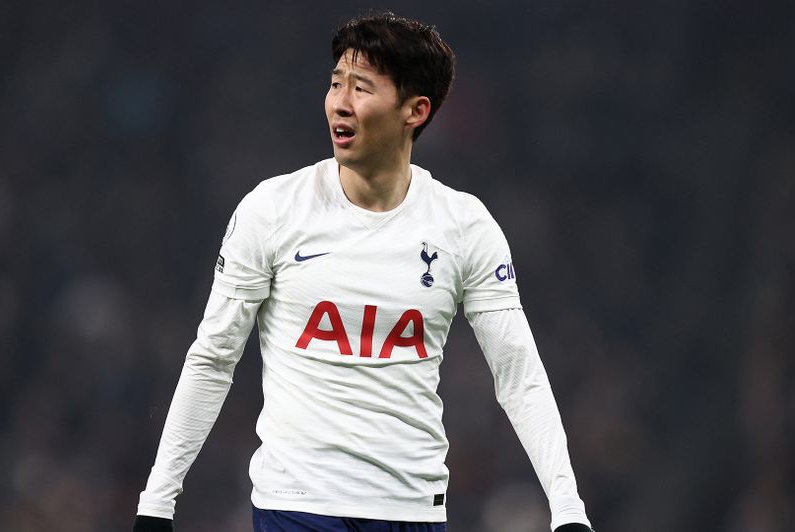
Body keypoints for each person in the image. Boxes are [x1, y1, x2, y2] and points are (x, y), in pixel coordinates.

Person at [134, 12, 593, 532]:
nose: (339, 103)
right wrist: (157, 501)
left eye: (362, 87)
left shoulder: (464, 226)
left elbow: (519, 375)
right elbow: (213, 356)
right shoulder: (273, 210)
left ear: (414, 110)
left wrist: (568, 509)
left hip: (412, 510)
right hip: (297, 506)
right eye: (335, 84)